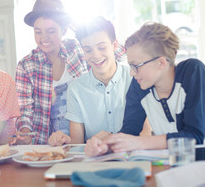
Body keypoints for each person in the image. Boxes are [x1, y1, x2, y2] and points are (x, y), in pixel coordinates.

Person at [85, 22, 205, 157]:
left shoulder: (193, 71)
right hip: (167, 165)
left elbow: (194, 137)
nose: (132, 73)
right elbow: (129, 131)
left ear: (161, 63)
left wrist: (139, 142)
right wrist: (106, 146)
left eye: (136, 65)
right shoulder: (140, 85)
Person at [10, 0, 125, 145]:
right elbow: (24, 110)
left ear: (64, 30)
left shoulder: (76, 47)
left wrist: (81, 29)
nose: (43, 38)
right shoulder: (26, 65)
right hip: (48, 143)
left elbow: (120, 54)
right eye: (38, 32)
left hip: (87, 138)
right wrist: (25, 134)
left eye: (51, 31)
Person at [48, 17, 151, 146]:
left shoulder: (136, 79)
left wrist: (109, 141)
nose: (95, 55)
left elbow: (146, 134)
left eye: (101, 47)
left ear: (114, 45)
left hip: (133, 156)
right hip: (96, 160)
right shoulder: (76, 88)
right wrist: (63, 140)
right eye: (88, 50)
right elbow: (77, 142)